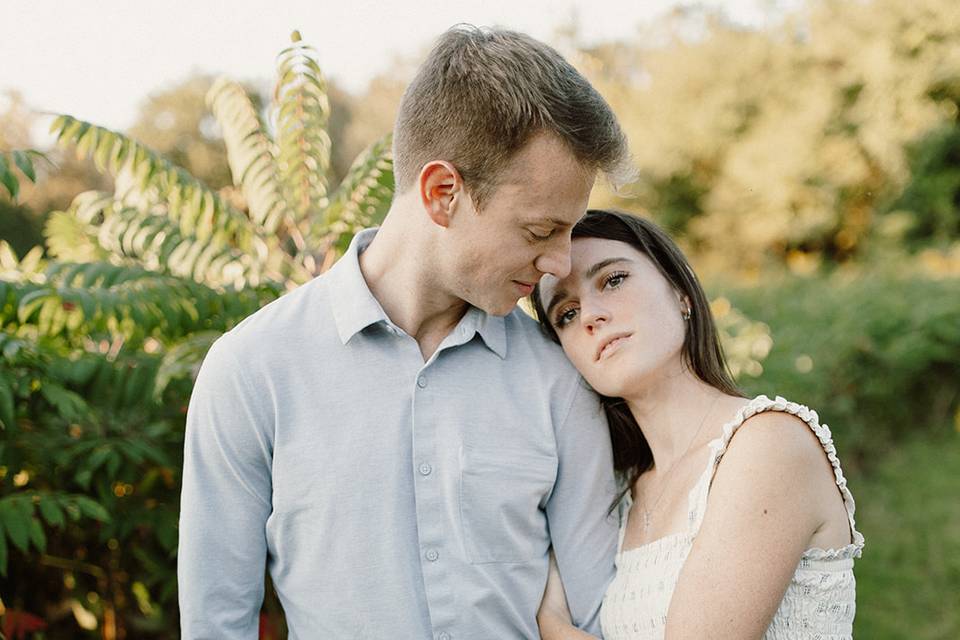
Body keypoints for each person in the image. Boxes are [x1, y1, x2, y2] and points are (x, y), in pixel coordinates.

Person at [177, 26, 634, 639]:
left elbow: (601, 611)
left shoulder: (560, 376)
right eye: (538, 231)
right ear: (442, 193)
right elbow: (216, 623)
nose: (559, 263)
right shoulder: (252, 369)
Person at [533, 210, 865, 639]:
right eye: (566, 313)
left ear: (680, 292)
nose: (591, 315)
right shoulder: (619, 492)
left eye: (612, 280)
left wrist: (551, 627)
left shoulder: (767, 443)